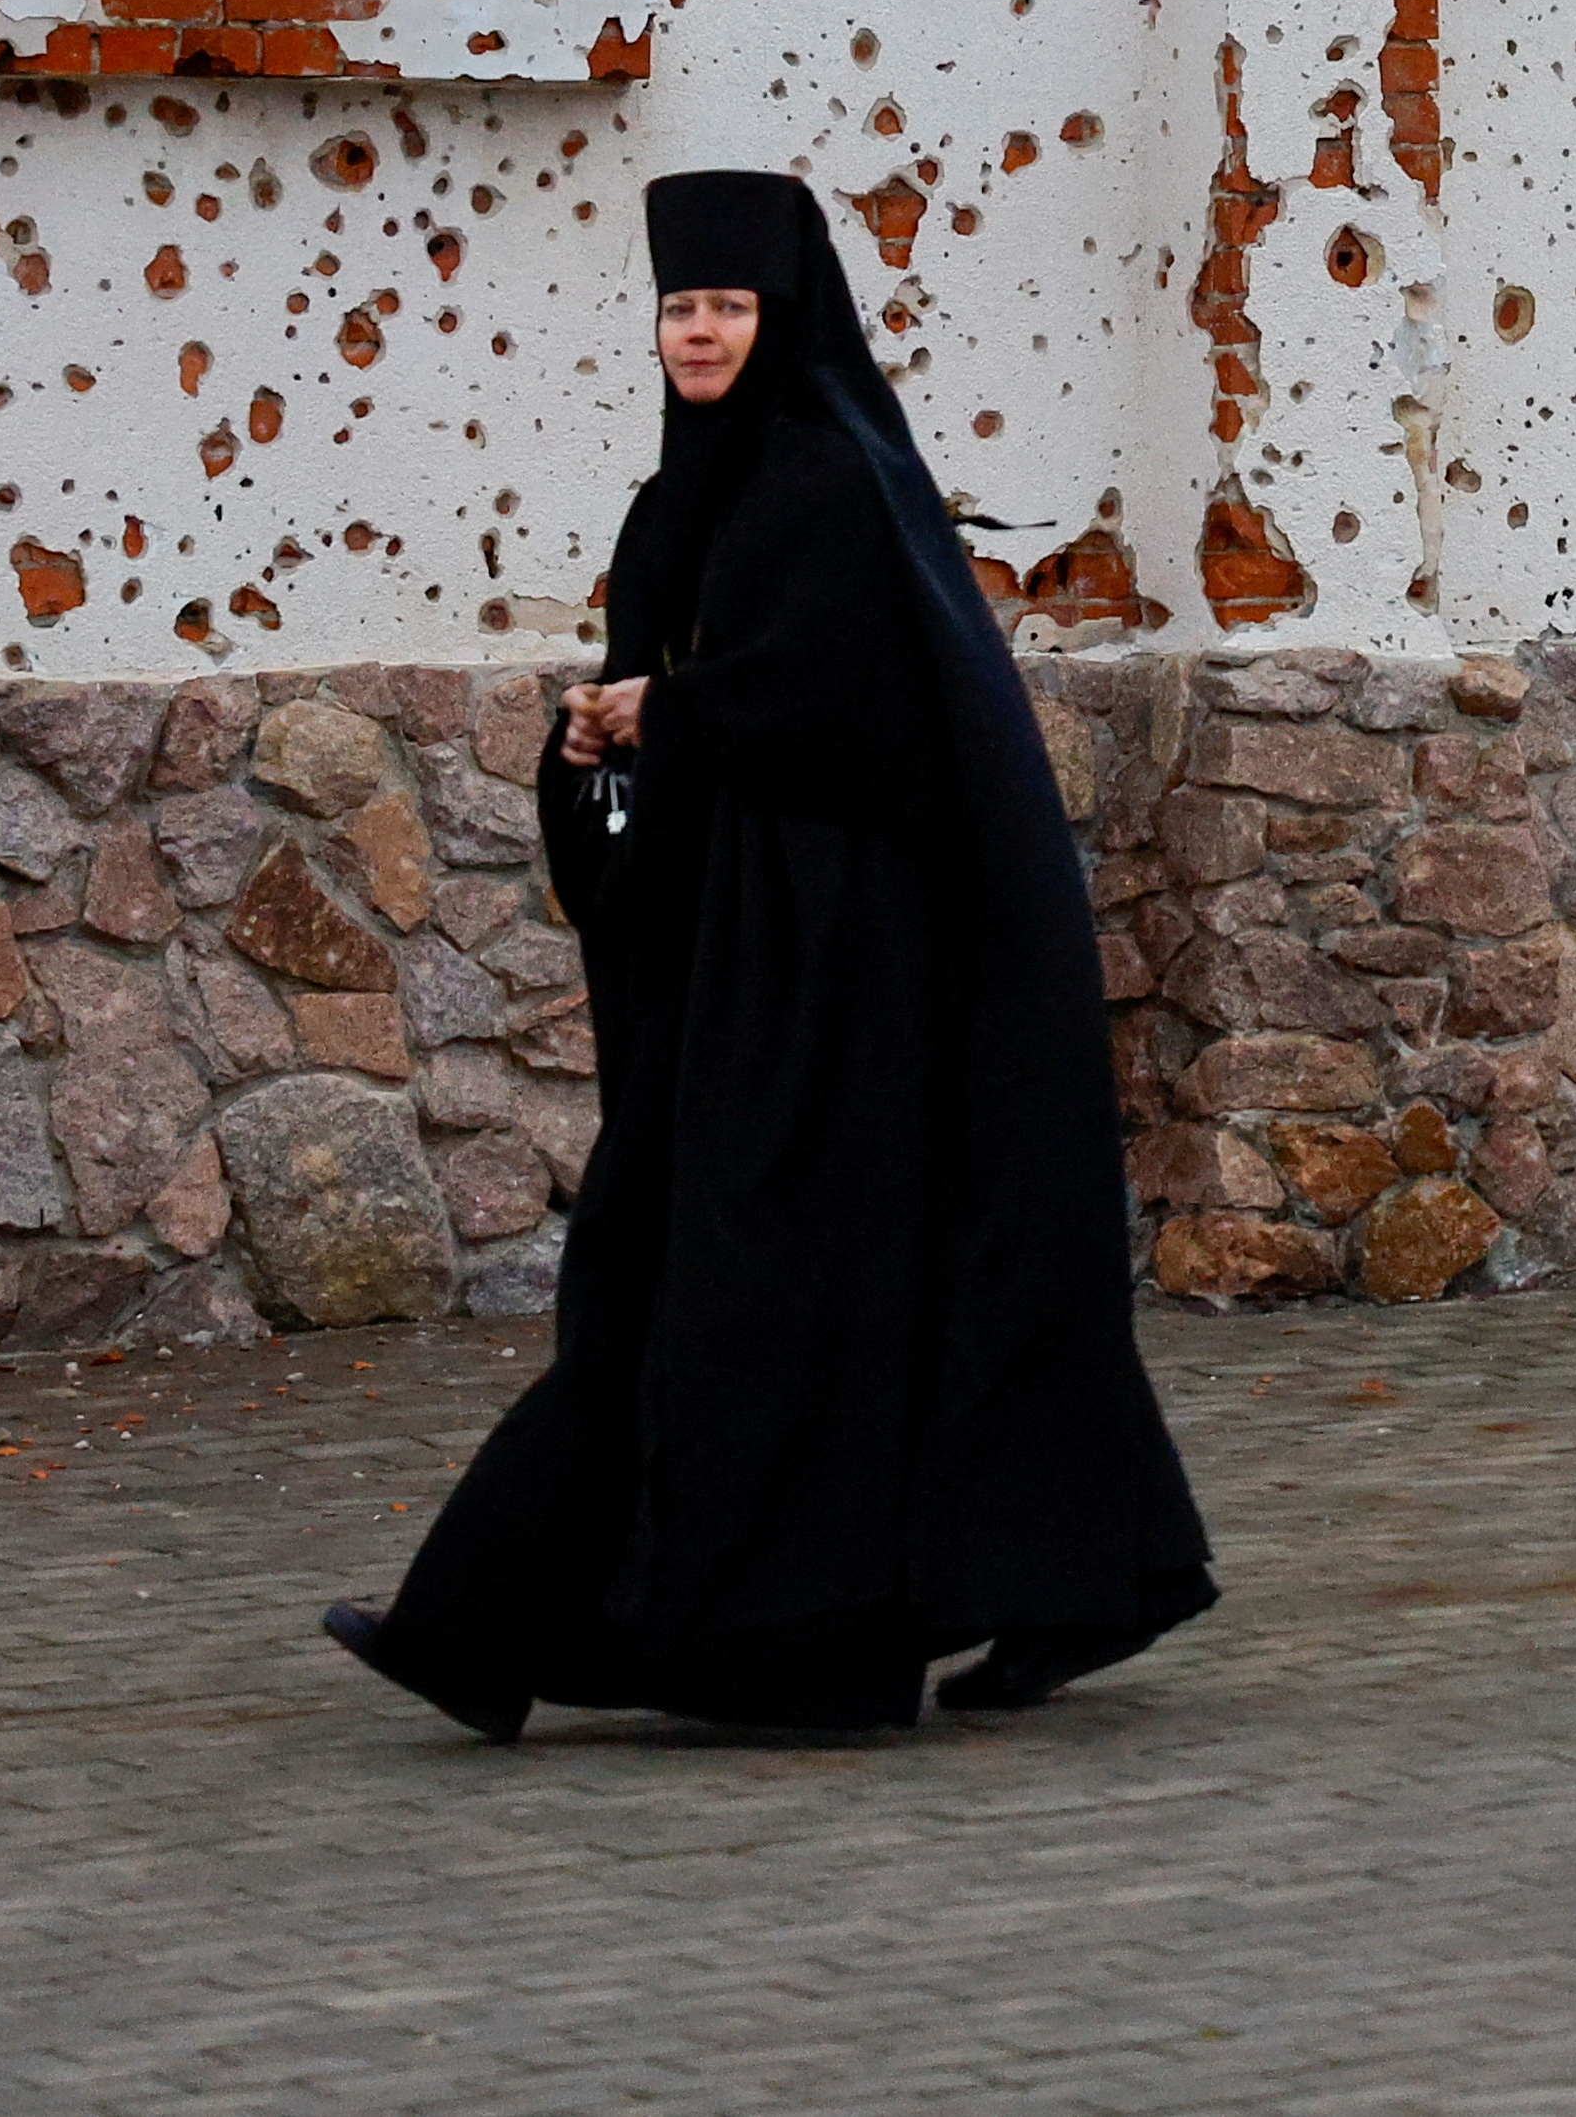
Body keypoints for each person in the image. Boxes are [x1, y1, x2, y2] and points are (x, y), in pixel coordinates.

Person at [322, 168, 1217, 1734]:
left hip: (850, 969)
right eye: (680, 307)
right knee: (676, 1267)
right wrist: (601, 730)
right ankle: (496, 1627)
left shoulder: (831, 480)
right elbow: (680, 688)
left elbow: (871, 713)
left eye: (728, 307)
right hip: (733, 952)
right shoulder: (678, 499)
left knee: (759, 1275)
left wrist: (691, 711)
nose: (700, 333)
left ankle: (630, 1633)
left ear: (780, 315)